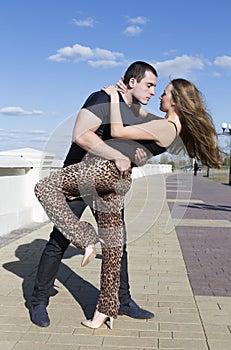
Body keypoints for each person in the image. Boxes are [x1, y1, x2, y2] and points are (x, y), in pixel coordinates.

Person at [33, 78, 221, 329]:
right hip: (116, 179)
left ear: (175, 101)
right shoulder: (166, 124)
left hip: (101, 173)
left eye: (163, 92)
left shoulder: (166, 128)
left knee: (44, 188)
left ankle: (86, 239)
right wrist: (125, 97)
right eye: (152, 88)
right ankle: (104, 309)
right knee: (112, 247)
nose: (158, 96)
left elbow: (120, 131)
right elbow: (141, 113)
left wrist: (112, 97)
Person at [30, 61, 159, 328]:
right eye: (149, 85)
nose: (153, 92)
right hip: (78, 181)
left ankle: (122, 301)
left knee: (116, 244)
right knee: (59, 241)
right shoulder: (100, 97)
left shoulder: (128, 110)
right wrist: (116, 154)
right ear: (132, 82)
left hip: (108, 186)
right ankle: (38, 300)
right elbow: (81, 135)